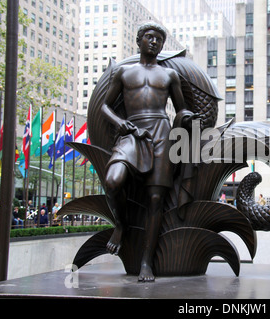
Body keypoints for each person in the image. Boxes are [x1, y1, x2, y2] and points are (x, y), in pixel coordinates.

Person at [101, 22, 197, 282]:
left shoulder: (169, 76)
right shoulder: (123, 73)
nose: (154, 42)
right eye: (149, 37)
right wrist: (119, 123)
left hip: (161, 133)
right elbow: (105, 107)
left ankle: (146, 262)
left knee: (156, 199)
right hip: (132, 133)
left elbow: (180, 108)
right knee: (113, 181)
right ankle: (120, 225)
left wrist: (187, 117)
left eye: (159, 40)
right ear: (139, 40)